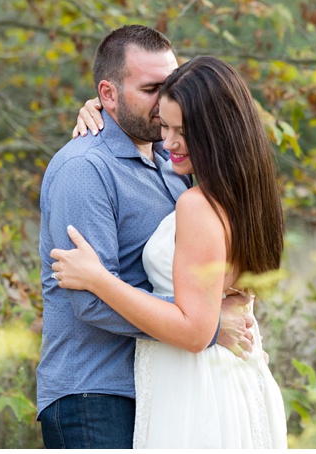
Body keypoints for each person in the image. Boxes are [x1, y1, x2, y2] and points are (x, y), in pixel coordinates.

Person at [50, 55, 288, 448]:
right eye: (165, 125)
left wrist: (98, 279)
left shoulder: (196, 201)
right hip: (229, 375)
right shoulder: (246, 194)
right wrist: (104, 110)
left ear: (217, 133)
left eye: (183, 130)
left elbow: (194, 328)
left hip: (197, 382)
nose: (168, 140)